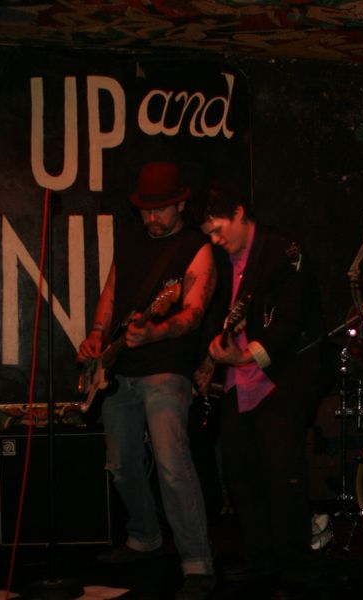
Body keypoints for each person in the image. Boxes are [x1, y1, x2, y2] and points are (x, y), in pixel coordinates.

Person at [77, 162, 217, 599]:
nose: (152, 218)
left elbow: (193, 313)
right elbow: (111, 292)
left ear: (181, 205)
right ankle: (144, 536)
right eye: (145, 210)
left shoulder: (197, 248)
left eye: (160, 210)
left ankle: (197, 562)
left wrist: (156, 332)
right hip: (120, 370)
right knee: (120, 464)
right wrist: (97, 334)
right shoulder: (131, 239)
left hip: (167, 369)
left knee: (172, 464)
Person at [195, 183, 323, 595]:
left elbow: (292, 319)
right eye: (209, 234)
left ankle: (293, 564)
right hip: (236, 382)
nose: (215, 240)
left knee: (283, 472)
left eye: (218, 229)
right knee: (240, 472)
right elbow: (218, 313)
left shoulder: (283, 250)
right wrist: (214, 356)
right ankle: (260, 557)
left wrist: (247, 355)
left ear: (239, 212)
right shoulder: (223, 259)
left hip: (278, 378)